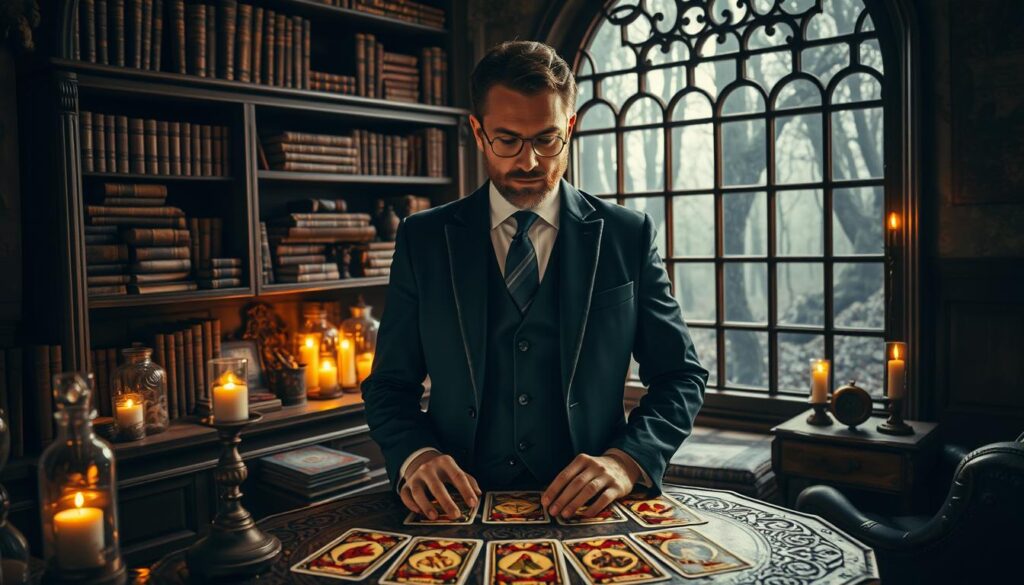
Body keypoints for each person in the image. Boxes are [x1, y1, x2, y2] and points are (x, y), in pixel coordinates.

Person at [362, 40, 707, 523]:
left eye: (547, 140)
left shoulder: (627, 236)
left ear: (570, 127)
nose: (528, 162)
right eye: (508, 141)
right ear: (478, 132)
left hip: (590, 513)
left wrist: (626, 461)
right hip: (455, 510)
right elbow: (389, 385)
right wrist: (416, 455)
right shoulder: (424, 239)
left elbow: (680, 376)